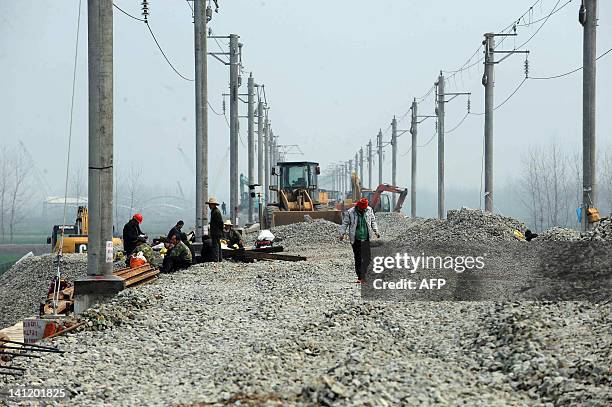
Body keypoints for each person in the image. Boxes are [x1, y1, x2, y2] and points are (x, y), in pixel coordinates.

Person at [338, 198, 380, 284]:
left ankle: (364, 274)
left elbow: (373, 221)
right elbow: (345, 223)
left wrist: (376, 231)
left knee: (367, 259)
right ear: (358, 206)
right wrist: (342, 233)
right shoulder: (350, 212)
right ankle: (360, 277)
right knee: (358, 258)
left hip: (366, 238)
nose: (363, 210)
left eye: (364, 208)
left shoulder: (369, 210)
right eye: (362, 208)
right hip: (356, 238)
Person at [207, 196, 224, 262]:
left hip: (216, 232)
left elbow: (220, 222)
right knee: (218, 245)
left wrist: (220, 230)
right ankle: (219, 258)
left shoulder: (216, 212)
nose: (209, 206)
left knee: (215, 246)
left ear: (213, 204)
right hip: (216, 231)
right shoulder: (214, 211)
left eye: (210, 204)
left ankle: (216, 259)